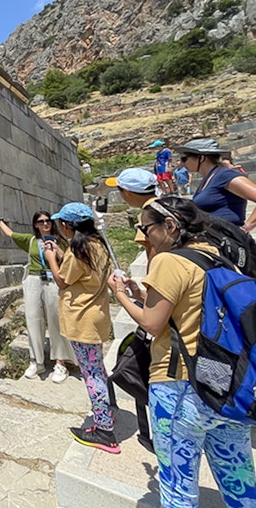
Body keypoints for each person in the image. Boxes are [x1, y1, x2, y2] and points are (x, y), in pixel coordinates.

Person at [107, 196, 256, 506]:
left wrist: (120, 295)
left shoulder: (168, 261)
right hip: (225, 388)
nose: (144, 236)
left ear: (170, 226)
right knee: (239, 485)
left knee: (178, 488)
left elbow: (152, 323)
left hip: (180, 388)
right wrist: (141, 294)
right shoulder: (217, 256)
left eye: (146, 229)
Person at [42, 202, 119, 454]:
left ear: (67, 225)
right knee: (96, 367)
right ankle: (106, 411)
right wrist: (63, 256)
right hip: (96, 315)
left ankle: (104, 430)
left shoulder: (79, 247)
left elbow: (63, 281)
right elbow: (84, 272)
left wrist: (51, 258)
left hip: (82, 318)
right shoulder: (97, 244)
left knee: (91, 373)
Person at [0, 207, 76, 383]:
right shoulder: (30, 240)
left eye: (47, 221)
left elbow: (69, 262)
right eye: (41, 221)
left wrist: (56, 251)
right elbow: (10, 234)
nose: (45, 224)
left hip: (53, 280)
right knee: (33, 318)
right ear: (35, 225)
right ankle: (36, 360)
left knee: (56, 319)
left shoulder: (62, 241)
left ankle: (61, 362)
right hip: (34, 280)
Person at [178, 138, 256, 232]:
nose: (181, 164)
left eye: (184, 159)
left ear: (202, 158)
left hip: (226, 239)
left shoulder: (225, 175)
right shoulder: (209, 178)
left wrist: (246, 228)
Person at [105, 167, 159, 260]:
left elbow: (152, 249)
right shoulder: (168, 204)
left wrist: (151, 274)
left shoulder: (148, 215)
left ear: (127, 192)